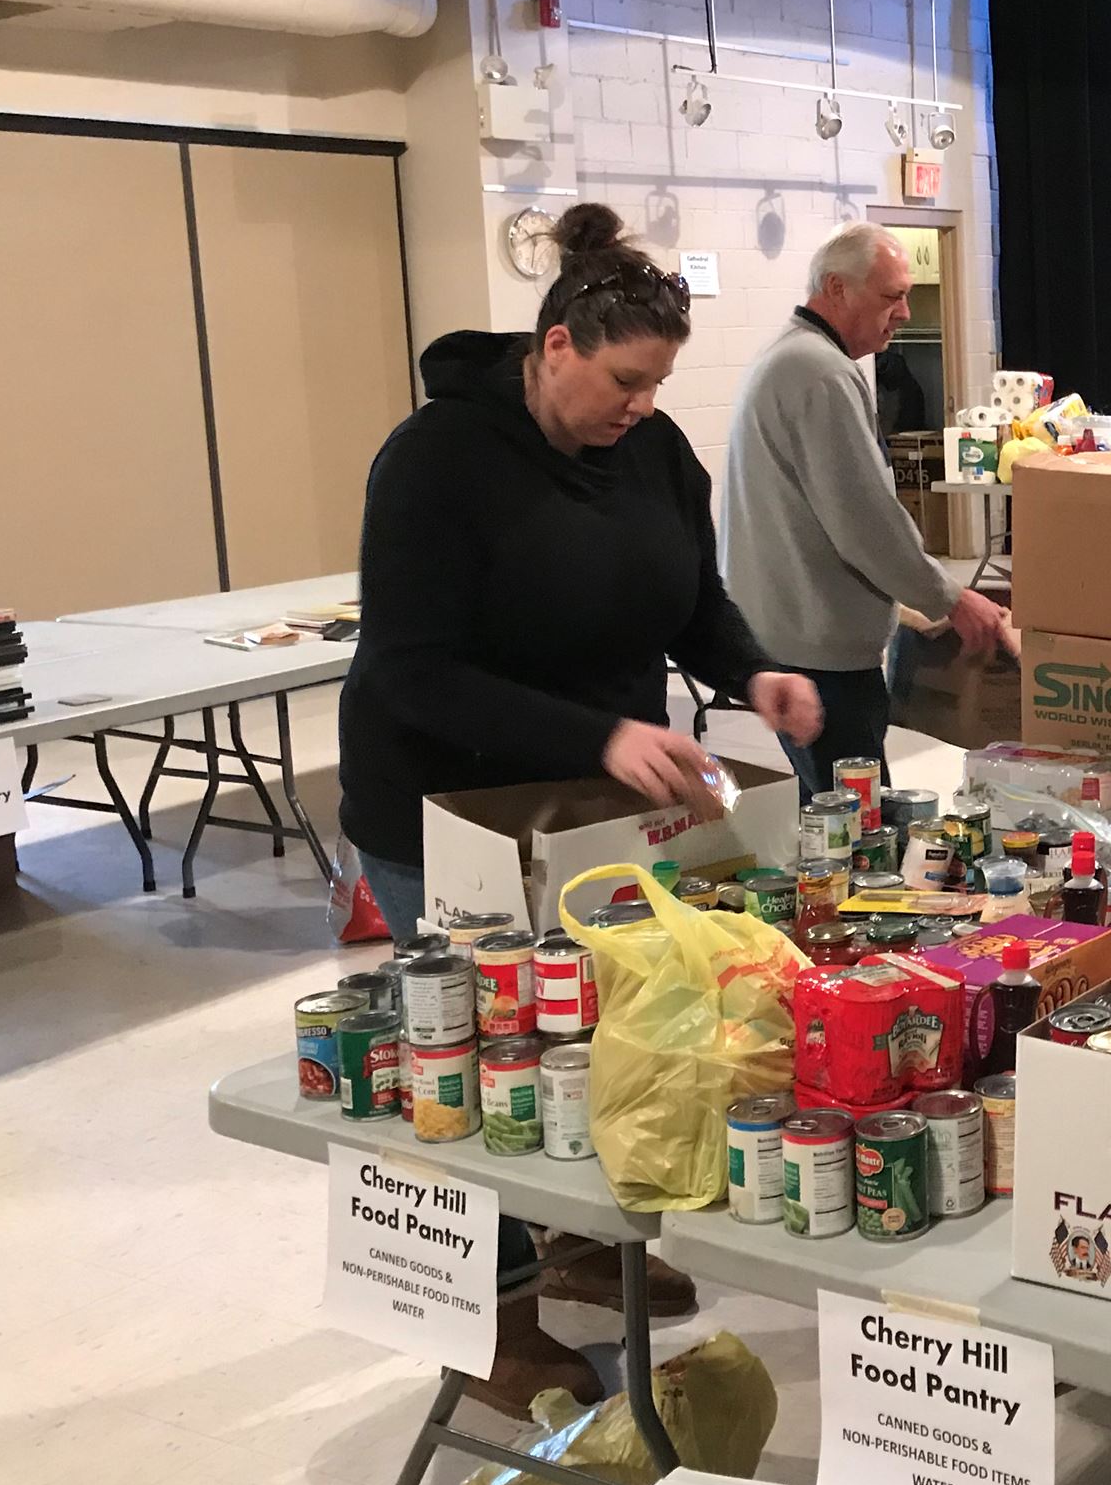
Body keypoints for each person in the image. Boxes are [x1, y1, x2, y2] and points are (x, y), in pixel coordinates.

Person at [338, 202, 823, 1412]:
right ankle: (489, 1324)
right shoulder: (434, 461)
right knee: (472, 1057)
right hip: (441, 809)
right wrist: (598, 732)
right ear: (554, 345)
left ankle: (579, 1245)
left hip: (589, 808)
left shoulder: (647, 450)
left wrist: (746, 667)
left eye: (657, 385)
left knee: (598, 1030)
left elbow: (689, 597)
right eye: (622, 380)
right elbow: (415, 668)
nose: (639, 407)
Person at [724, 222, 1009, 798]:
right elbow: (864, 521)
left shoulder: (795, 358)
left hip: (792, 635)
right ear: (836, 288)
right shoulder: (820, 372)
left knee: (832, 810)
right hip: (817, 654)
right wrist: (949, 596)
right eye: (891, 296)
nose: (904, 312)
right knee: (855, 827)